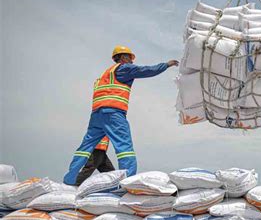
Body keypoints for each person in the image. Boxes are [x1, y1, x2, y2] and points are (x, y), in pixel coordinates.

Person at [63, 46, 179, 185]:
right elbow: (145, 70)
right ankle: (127, 181)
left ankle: (69, 180)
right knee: (124, 147)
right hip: (113, 114)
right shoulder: (123, 69)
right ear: (123, 57)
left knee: (85, 148)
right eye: (130, 58)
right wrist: (166, 65)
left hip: (96, 115)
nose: (131, 61)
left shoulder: (105, 75)